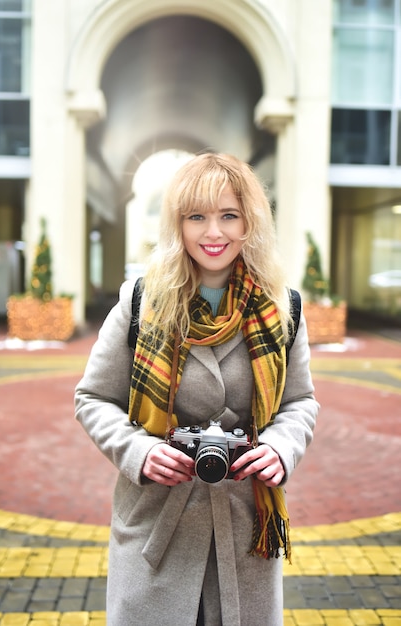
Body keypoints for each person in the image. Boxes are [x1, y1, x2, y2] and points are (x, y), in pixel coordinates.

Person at [74, 152, 319, 626]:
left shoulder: (280, 307)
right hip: (156, 527)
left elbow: (298, 402)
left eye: (229, 215)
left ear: (250, 222)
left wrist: (280, 448)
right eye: (197, 217)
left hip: (245, 525)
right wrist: (137, 451)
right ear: (177, 224)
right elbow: (93, 397)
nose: (213, 233)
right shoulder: (142, 301)